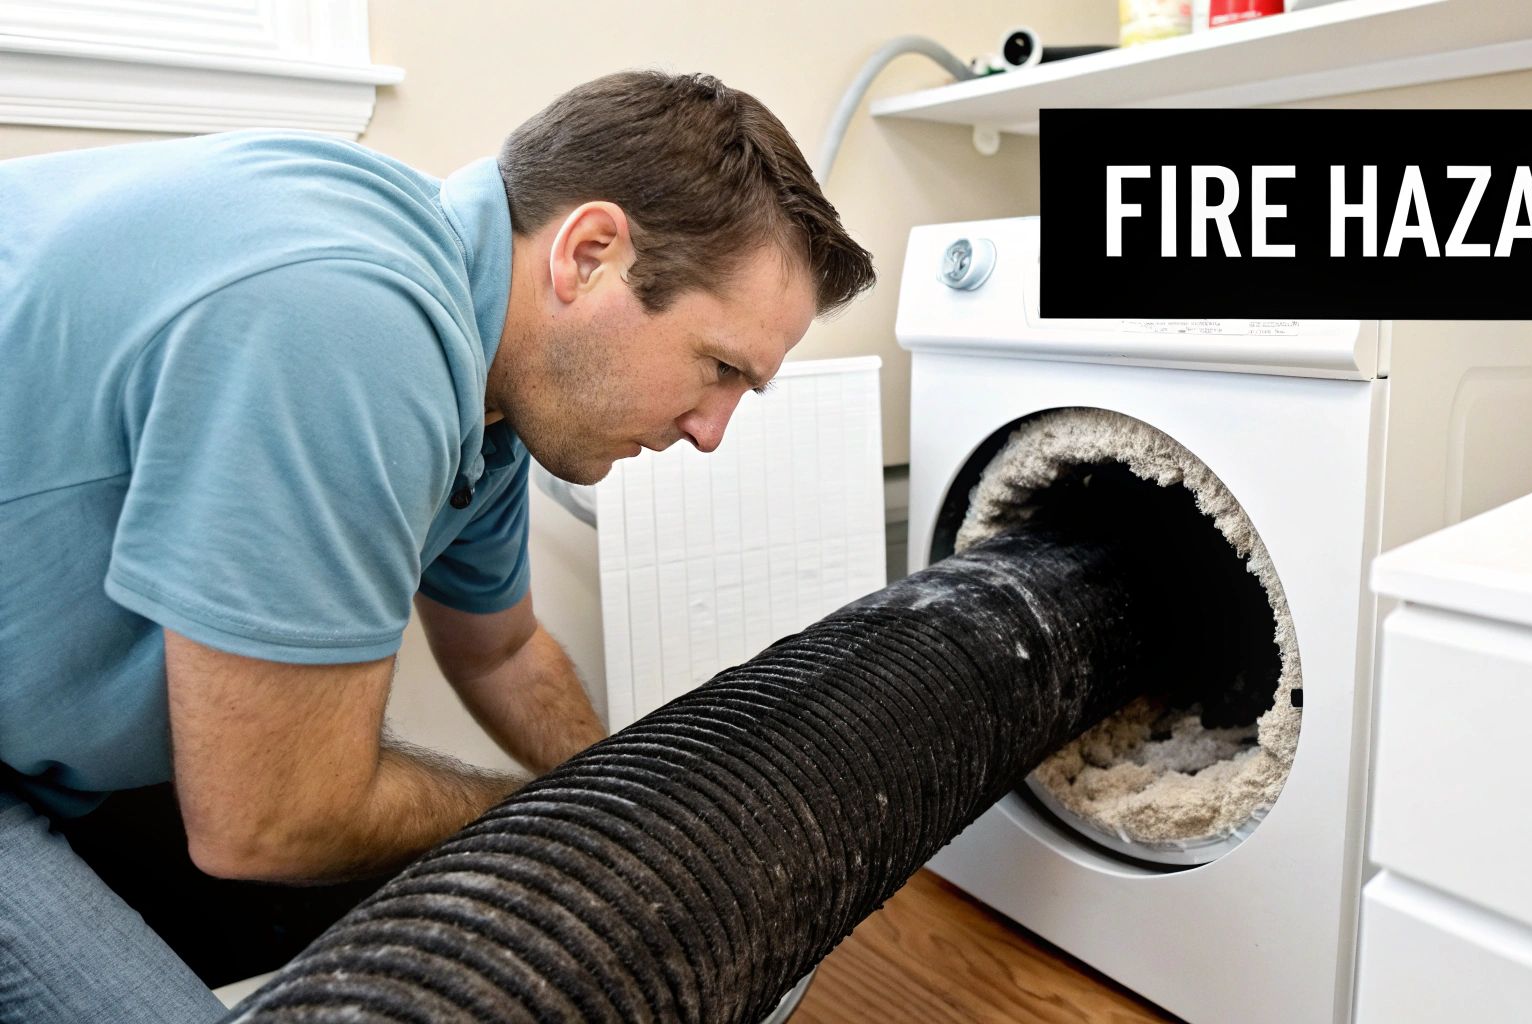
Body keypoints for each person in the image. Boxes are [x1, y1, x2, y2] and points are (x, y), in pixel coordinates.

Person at [0, 69, 876, 1023]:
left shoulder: (488, 375)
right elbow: (268, 820)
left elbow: (499, 648)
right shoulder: (352, 318)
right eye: (718, 368)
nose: (713, 430)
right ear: (588, 254)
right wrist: (579, 827)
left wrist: (642, 800)